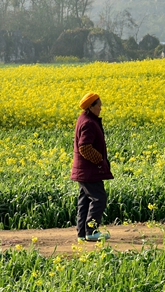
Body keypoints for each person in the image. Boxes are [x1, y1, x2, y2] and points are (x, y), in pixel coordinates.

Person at [71, 92, 113, 242]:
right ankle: (91, 231)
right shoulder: (88, 123)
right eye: (99, 105)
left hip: (83, 170)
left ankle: (82, 233)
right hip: (89, 170)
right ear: (91, 107)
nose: (101, 108)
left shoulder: (85, 118)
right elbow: (85, 147)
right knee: (98, 198)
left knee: (85, 200)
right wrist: (100, 160)